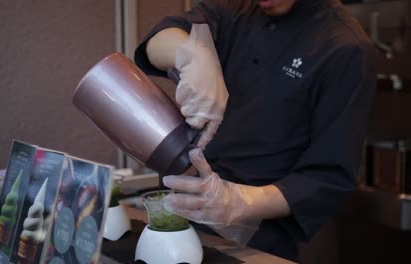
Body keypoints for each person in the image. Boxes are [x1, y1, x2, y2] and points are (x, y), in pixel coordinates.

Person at [134, 0, 376, 261]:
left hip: (255, 239)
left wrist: (238, 202)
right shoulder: (234, 8)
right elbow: (157, 42)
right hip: (182, 219)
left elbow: (328, 177)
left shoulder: (346, 46)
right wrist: (192, 55)